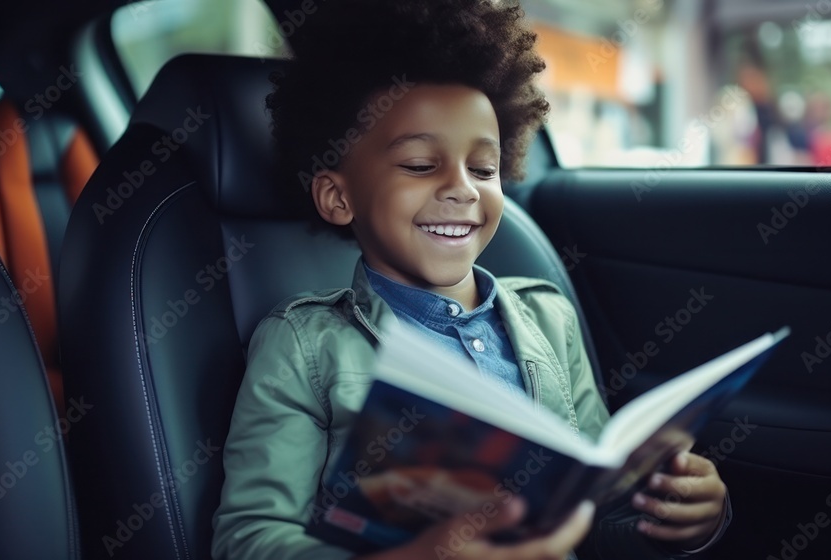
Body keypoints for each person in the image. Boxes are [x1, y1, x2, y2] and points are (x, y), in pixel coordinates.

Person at [211, 1, 730, 559]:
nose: (463, 189)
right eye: (419, 165)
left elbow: (596, 507)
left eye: (484, 169)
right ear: (338, 197)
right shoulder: (304, 347)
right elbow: (250, 540)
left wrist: (683, 516)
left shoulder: (547, 318)